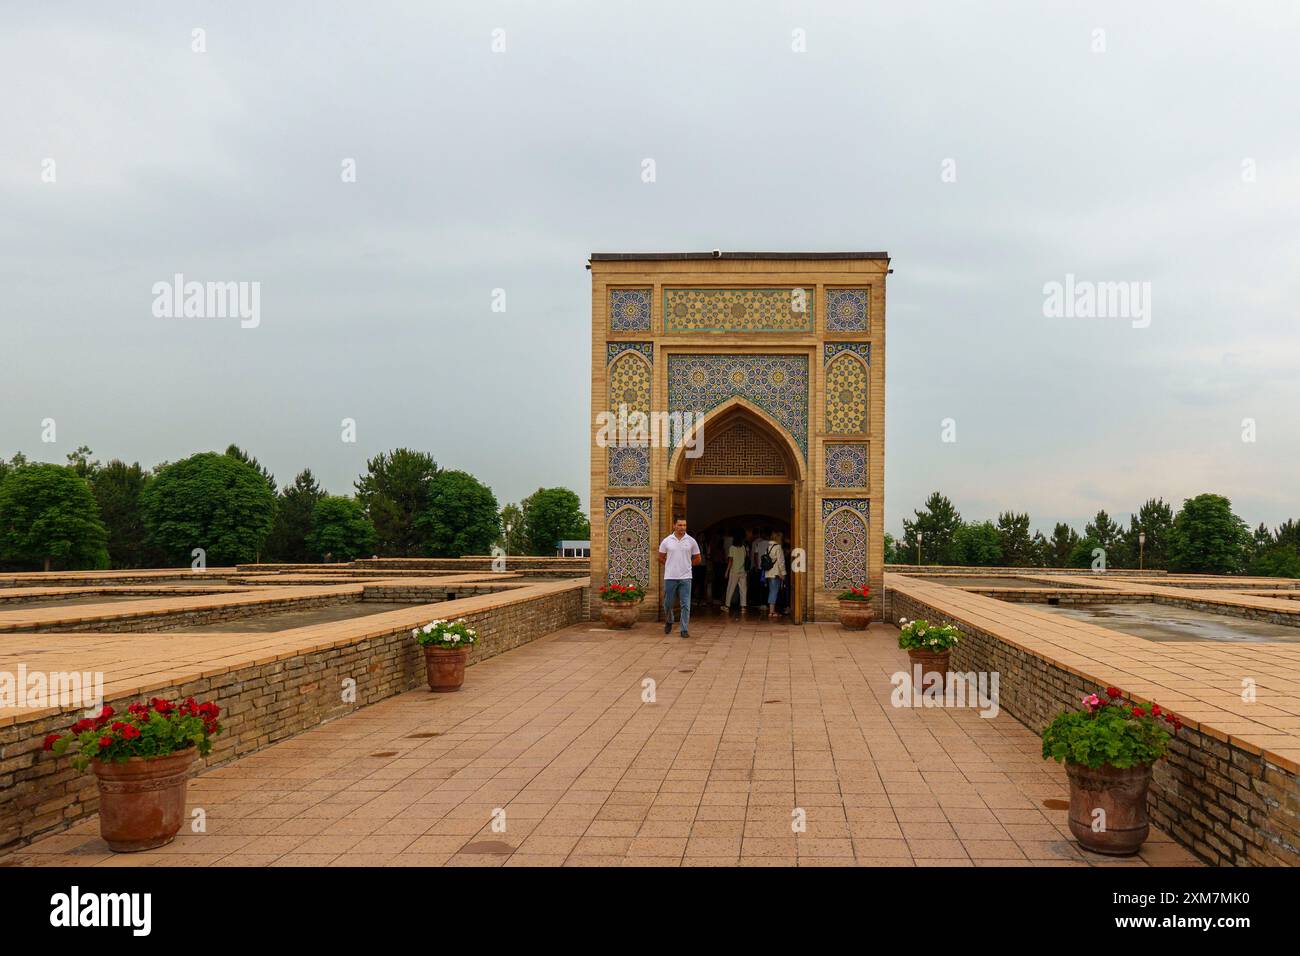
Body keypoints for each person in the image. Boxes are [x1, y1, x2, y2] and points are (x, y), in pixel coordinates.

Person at [658, 517, 701, 638]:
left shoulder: (691, 541)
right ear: (674, 526)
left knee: (685, 604)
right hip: (670, 577)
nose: (682, 527)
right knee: (668, 603)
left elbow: (698, 558)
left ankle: (684, 629)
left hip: (686, 577)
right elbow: (660, 557)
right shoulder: (667, 541)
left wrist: (687, 565)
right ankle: (669, 620)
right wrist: (669, 565)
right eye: (680, 525)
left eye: (684, 525)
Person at [724, 528, 748, 616]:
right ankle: (743, 607)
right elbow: (745, 558)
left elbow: (730, 560)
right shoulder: (743, 548)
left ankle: (727, 606)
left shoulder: (732, 548)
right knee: (743, 590)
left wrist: (726, 571)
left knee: (730, 588)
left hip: (734, 571)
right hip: (742, 571)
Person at [764, 530, 787, 621]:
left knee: (771, 591)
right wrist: (783, 573)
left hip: (769, 573)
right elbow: (781, 562)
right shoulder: (778, 547)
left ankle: (771, 611)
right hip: (776, 573)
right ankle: (771, 612)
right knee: (774, 591)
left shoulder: (768, 547)